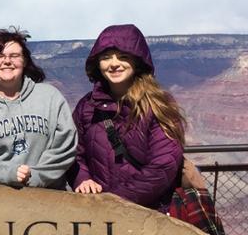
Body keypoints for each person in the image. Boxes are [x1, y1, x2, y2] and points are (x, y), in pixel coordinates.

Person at [71, 24, 185, 211]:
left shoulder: (157, 105)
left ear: (137, 61)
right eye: (106, 57)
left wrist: (115, 200)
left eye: (123, 57)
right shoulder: (87, 107)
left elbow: (163, 166)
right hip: (98, 212)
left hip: (147, 213)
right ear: (97, 63)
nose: (114, 64)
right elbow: (74, 154)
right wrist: (82, 179)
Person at [0, 28, 77, 188]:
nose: (7, 61)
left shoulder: (50, 97)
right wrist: (9, 174)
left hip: (52, 194)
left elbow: (65, 144)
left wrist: (36, 176)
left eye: (14, 56)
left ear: (24, 61)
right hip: (1, 197)